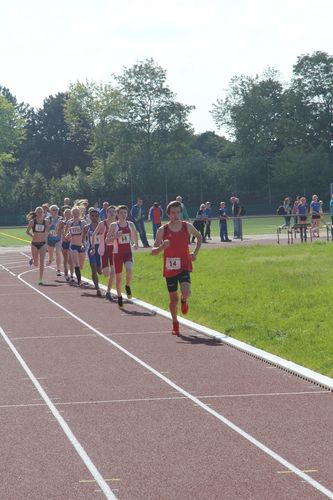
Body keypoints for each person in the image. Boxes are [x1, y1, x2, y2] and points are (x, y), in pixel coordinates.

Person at [152, 200, 202, 336]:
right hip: (170, 268)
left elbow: (199, 237)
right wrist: (162, 247)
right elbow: (153, 251)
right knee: (173, 299)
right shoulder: (163, 230)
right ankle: (175, 323)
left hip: (184, 265)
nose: (176, 215)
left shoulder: (187, 226)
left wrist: (195, 253)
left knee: (186, 291)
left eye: (178, 212)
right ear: (168, 214)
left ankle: (184, 300)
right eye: (173, 213)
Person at [107, 205, 138, 308]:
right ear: (117, 214)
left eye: (125, 213)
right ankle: (119, 296)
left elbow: (135, 234)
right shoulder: (113, 225)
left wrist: (135, 244)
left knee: (129, 269)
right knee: (119, 278)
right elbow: (107, 241)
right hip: (117, 254)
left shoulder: (130, 224)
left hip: (128, 252)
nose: (123, 215)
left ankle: (128, 285)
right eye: (121, 213)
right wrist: (116, 236)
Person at [92, 205, 117, 301]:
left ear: (116, 213)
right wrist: (93, 246)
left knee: (113, 273)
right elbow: (94, 234)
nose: (112, 213)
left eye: (114, 212)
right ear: (106, 213)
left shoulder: (118, 224)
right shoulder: (103, 223)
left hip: (114, 250)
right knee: (107, 273)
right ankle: (101, 267)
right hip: (105, 250)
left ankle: (108, 292)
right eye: (110, 212)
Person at [26, 207, 50, 285]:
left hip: (43, 243)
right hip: (34, 244)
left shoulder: (46, 222)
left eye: (41, 212)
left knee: (42, 261)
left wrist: (47, 241)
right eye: (38, 212)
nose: (39, 213)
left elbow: (48, 232)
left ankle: (40, 279)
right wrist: (32, 235)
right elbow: (27, 232)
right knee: (36, 263)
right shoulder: (32, 222)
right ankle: (33, 259)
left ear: (43, 213)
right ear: (36, 213)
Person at [65, 207, 87, 286]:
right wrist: (68, 235)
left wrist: (83, 243)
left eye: (77, 213)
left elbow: (86, 234)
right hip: (73, 245)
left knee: (81, 266)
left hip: (81, 245)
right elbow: (66, 234)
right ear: (72, 214)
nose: (76, 214)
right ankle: (79, 281)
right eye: (74, 213)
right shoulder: (69, 222)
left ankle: (79, 277)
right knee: (76, 264)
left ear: (79, 213)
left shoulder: (83, 222)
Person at [84, 207, 102, 296]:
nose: (94, 217)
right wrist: (83, 245)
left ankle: (100, 268)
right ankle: (97, 288)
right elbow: (83, 238)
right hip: (91, 249)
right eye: (92, 215)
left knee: (100, 270)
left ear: (98, 216)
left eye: (96, 215)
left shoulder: (102, 226)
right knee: (93, 268)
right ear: (89, 216)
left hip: (100, 249)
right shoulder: (86, 227)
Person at [57, 207, 74, 282]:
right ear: (64, 214)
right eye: (66, 213)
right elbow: (58, 232)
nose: (67, 215)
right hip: (64, 242)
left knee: (71, 260)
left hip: (71, 242)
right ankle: (66, 274)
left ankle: (72, 275)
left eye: (69, 213)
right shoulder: (61, 222)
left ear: (71, 214)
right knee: (66, 259)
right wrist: (62, 236)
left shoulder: (73, 222)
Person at [47, 205, 62, 276]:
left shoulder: (61, 218)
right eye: (53, 210)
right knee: (51, 255)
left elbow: (63, 228)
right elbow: (46, 229)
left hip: (58, 239)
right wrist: (52, 223)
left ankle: (58, 269)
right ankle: (50, 259)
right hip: (50, 239)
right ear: (50, 211)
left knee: (58, 252)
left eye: (56, 209)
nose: (55, 211)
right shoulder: (48, 219)